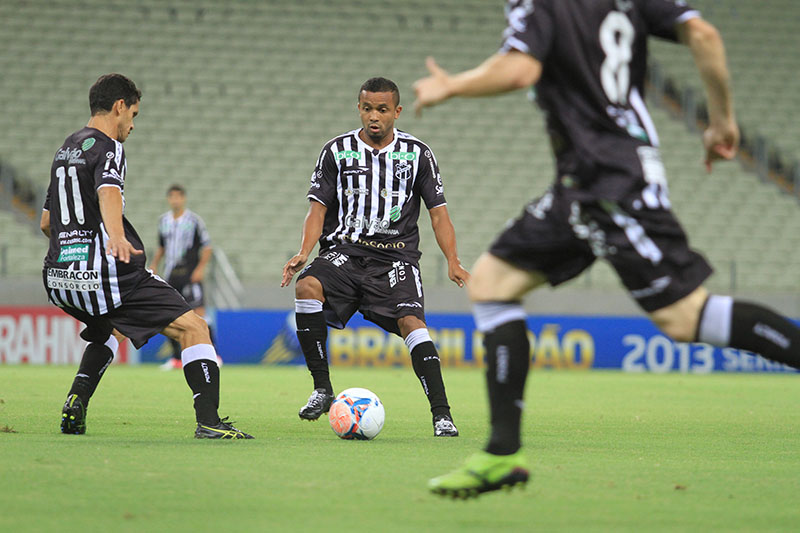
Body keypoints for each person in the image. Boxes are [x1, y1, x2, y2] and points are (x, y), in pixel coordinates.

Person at [413, 0, 800, 497]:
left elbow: (520, 68)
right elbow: (704, 36)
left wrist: (450, 85)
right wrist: (723, 122)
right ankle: (502, 454)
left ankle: (502, 452)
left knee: (685, 318)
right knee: (492, 284)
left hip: (611, 179)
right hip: (585, 181)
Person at [40, 73, 251, 439]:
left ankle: (76, 401)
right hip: (106, 271)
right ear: (119, 106)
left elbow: (46, 222)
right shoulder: (109, 147)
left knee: (113, 329)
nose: (132, 125)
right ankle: (209, 422)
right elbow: (108, 192)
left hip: (59, 276)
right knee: (194, 327)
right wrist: (117, 238)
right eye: (133, 114)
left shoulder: (66, 149)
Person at [281, 77, 469, 437]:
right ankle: (322, 389)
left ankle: (442, 414)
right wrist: (305, 251)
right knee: (307, 287)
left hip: (395, 258)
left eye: (382, 109)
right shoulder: (336, 151)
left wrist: (453, 260)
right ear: (359, 108)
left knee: (414, 325)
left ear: (397, 112)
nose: (374, 116)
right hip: (345, 253)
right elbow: (317, 209)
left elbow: (439, 214)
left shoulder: (418, 154)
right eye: (367, 108)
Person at [149, 185, 217, 370]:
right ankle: (176, 358)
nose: (175, 200)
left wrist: (200, 268)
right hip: (171, 274)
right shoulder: (163, 221)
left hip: (190, 274)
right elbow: (162, 247)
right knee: (169, 314)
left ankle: (214, 354)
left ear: (184, 199)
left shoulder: (194, 221)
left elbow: (207, 247)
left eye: (178, 197)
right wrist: (154, 264)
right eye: (172, 197)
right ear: (168, 199)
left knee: (200, 313)